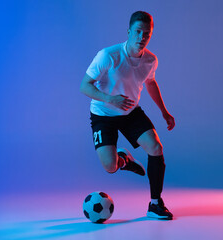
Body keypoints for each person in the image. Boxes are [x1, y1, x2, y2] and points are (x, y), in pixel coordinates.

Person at [79, 11, 174, 220]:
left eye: (146, 34)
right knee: (109, 167)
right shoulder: (108, 56)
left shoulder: (150, 60)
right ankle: (123, 160)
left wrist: (164, 112)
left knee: (156, 147)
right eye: (138, 32)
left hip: (130, 111)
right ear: (129, 31)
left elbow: (150, 83)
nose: (142, 37)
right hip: (103, 113)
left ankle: (155, 204)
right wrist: (110, 99)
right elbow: (84, 86)